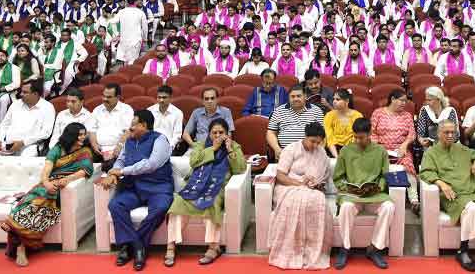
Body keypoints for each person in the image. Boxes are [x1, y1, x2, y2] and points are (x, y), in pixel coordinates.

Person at [2, 122, 94, 266]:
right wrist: (46, 183)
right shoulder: (57, 149)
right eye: (80, 135)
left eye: (84, 134)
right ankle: (20, 242)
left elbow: (85, 171)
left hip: (61, 188)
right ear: (71, 136)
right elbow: (46, 170)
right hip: (47, 184)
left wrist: (67, 179)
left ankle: (18, 239)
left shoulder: (85, 152)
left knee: (42, 204)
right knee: (34, 200)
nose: (83, 137)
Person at [419, 120, 475, 274]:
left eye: (453, 132)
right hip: (451, 196)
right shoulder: (431, 152)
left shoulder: (461, 148)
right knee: (470, 208)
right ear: (438, 134)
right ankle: (462, 251)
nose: (450, 135)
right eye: (446, 132)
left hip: (470, 194)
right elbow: (425, 172)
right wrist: (441, 183)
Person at [165, 118, 247, 267]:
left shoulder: (234, 146)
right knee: (178, 202)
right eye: (214, 132)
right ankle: (171, 246)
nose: (217, 136)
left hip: (216, 187)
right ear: (209, 134)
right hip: (195, 186)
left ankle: (213, 247)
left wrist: (229, 150)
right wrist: (213, 149)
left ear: (227, 134)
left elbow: (240, 168)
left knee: (211, 201)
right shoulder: (200, 145)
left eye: (221, 132)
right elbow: (194, 162)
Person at [102, 110, 176, 271]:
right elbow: (120, 161)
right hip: (133, 188)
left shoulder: (160, 140)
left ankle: (127, 247)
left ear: (144, 125)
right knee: (115, 205)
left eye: (133, 124)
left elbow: (151, 164)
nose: (130, 128)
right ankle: (138, 246)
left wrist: (122, 172)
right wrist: (113, 172)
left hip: (158, 188)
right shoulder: (129, 141)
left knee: (161, 208)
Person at [267, 121, 334, 270]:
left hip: (312, 190)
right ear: (305, 137)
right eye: (312, 141)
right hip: (288, 187)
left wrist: (316, 184)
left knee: (318, 200)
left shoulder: (321, 152)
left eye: (318, 142)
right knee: (299, 200)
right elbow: (280, 176)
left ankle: (311, 250)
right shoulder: (291, 149)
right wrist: (300, 184)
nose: (315, 145)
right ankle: (292, 251)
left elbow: (322, 179)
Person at [332, 118, 393, 269]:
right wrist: (346, 188)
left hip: (374, 195)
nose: (358, 140)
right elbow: (338, 177)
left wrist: (379, 187)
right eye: (355, 137)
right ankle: (345, 248)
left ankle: (375, 248)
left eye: (361, 137)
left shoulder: (380, 151)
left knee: (389, 207)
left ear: (370, 133)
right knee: (345, 207)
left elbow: (385, 176)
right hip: (353, 195)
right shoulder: (346, 151)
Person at [370, 89, 420, 212]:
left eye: (405, 101)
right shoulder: (378, 113)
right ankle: (377, 197)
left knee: (408, 164)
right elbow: (372, 132)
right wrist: (377, 147)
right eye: (401, 100)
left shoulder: (407, 115)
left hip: (400, 148)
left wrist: (405, 144)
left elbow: (412, 134)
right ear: (392, 99)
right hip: (381, 148)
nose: (404, 103)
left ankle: (414, 200)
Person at [0, 81, 55, 157]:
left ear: (35, 94)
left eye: (25, 92)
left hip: (30, 146)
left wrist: (23, 142)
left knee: (22, 163)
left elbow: (46, 133)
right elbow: (4, 125)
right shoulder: (16, 104)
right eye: (21, 91)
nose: (21, 94)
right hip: (8, 144)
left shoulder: (47, 107)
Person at [266, 84, 326, 157]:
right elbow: (270, 133)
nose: (295, 99)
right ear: (288, 98)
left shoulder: (316, 111)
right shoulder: (278, 111)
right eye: (292, 96)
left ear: (305, 96)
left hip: (310, 154)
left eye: (298, 96)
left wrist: (318, 152)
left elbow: (323, 135)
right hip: (285, 154)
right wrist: (277, 148)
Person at [89, 83, 135, 168]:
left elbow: (129, 131)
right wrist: (94, 144)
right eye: (104, 96)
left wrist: (119, 146)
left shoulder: (126, 110)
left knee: (110, 166)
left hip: (117, 149)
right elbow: (92, 130)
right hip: (98, 150)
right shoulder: (97, 110)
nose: (105, 99)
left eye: (109, 97)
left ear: (117, 97)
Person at [415, 86, 459, 153]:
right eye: (426, 100)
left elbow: (455, 134)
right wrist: (422, 140)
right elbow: (421, 133)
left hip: (449, 145)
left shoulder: (450, 111)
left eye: (430, 100)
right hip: (430, 147)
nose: (427, 102)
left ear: (439, 99)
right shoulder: (425, 110)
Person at [324, 88, 362, 156]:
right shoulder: (329, 116)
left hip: (352, 149)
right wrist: (337, 157)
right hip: (333, 150)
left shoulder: (357, 116)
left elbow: (358, 138)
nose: (334, 101)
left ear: (347, 101)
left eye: (338, 99)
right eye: (334, 99)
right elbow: (330, 139)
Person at [116, 0, 148, 66]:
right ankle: (130, 74)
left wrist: (116, 35)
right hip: (135, 39)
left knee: (126, 60)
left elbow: (112, 23)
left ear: (127, 1)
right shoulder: (141, 12)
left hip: (125, 39)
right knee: (132, 60)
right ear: (136, 1)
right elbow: (145, 28)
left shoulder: (121, 12)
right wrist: (145, 38)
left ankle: (127, 74)